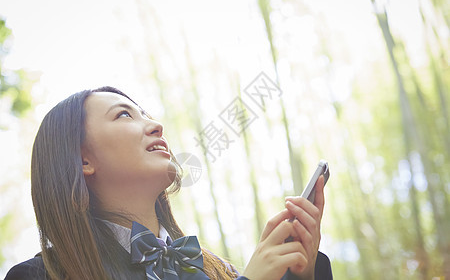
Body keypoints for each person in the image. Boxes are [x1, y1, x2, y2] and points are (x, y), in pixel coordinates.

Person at [5, 86, 332, 280]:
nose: (156, 125)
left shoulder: (220, 271)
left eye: (146, 113)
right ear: (83, 161)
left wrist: (303, 272)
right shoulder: (36, 277)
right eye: (123, 115)